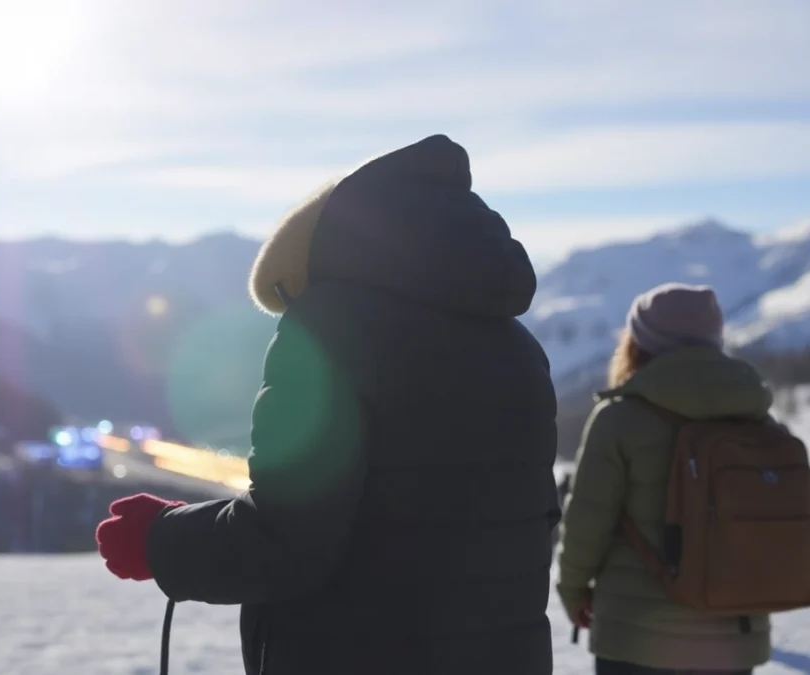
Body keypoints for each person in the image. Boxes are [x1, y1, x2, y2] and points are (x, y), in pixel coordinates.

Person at [96, 134, 560, 675]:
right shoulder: (517, 346)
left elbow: (286, 539)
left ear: (312, 267)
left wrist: (161, 539)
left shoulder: (330, 330)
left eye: (286, 299)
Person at [557, 283, 773, 675]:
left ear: (639, 344)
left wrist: (572, 590)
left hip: (637, 638)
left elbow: (588, 521)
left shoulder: (619, 419)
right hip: (733, 637)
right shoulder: (756, 414)